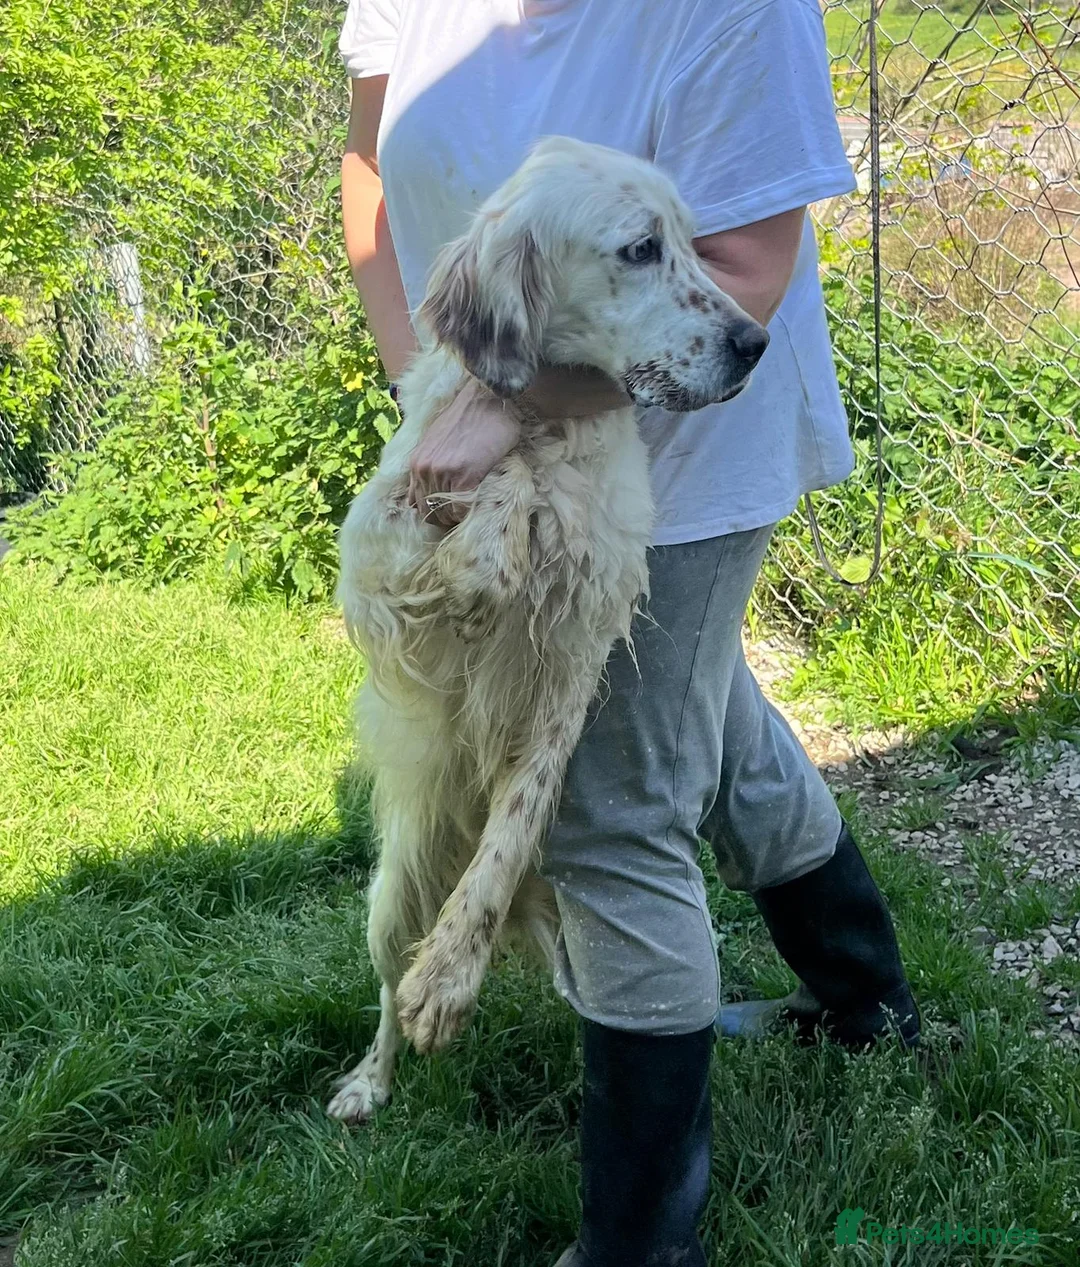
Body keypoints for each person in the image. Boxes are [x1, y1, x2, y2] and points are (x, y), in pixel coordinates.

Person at [338, 3, 920, 1264]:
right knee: (708, 717)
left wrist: (499, 408)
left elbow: (749, 265)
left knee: (612, 802)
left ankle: (643, 1242)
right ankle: (870, 1000)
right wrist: (428, 391)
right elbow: (373, 186)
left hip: (686, 446)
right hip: (475, 414)